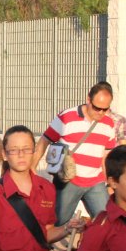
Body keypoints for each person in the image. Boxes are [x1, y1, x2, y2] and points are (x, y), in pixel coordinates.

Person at [33, 81, 117, 224]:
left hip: (95, 182)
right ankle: (42, 245)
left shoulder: (109, 124)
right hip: (69, 180)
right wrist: (32, 169)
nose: (101, 113)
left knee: (107, 222)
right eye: (97, 108)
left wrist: (109, 183)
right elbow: (44, 141)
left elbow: (106, 157)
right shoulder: (67, 117)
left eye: (105, 109)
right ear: (88, 99)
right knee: (57, 221)